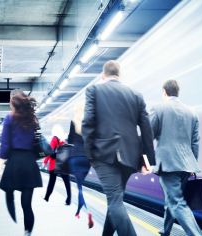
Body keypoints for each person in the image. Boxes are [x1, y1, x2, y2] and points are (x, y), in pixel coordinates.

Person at [82, 60, 155, 236]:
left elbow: (88, 123)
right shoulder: (135, 95)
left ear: (103, 75)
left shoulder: (94, 90)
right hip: (130, 157)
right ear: (119, 75)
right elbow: (146, 129)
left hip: (104, 155)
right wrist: (149, 160)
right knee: (116, 199)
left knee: (114, 200)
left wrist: (90, 154)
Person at [150, 80, 202, 236]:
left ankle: (197, 234)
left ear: (164, 92)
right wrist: (193, 164)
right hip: (186, 164)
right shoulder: (192, 112)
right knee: (172, 199)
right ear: (177, 92)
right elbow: (195, 142)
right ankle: (165, 230)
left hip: (168, 164)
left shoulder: (159, 108)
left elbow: (149, 135)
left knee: (176, 202)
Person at [0, 90, 42, 236]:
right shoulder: (33, 119)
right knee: (27, 205)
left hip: (14, 162)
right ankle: (27, 232)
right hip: (29, 163)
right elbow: (37, 141)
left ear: (13, 104)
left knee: (8, 188)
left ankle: (11, 207)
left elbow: (4, 146)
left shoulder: (9, 118)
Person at [67, 102, 94, 228]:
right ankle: (78, 211)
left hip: (75, 156)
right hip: (86, 158)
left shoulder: (73, 121)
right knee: (80, 186)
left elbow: (70, 139)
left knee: (79, 187)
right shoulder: (89, 122)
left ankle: (87, 211)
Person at [43, 134, 71, 205]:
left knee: (51, 182)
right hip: (63, 165)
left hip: (54, 165)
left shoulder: (54, 138)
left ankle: (46, 198)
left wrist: (45, 161)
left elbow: (50, 151)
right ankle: (68, 199)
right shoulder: (64, 141)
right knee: (67, 182)